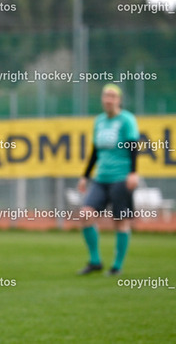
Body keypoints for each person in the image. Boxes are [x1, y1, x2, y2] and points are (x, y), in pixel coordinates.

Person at [77, 83, 139, 276]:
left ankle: (117, 266)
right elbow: (95, 151)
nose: (108, 100)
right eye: (106, 96)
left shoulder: (127, 120)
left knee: (120, 221)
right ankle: (95, 261)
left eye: (112, 96)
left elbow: (133, 146)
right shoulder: (99, 121)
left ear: (119, 100)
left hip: (121, 177)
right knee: (85, 215)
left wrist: (133, 173)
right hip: (101, 178)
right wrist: (85, 176)